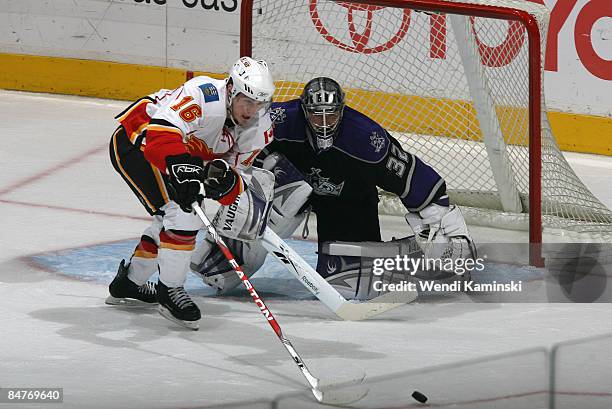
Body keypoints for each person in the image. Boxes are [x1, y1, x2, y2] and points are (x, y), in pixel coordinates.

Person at [191, 77, 474, 300]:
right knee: (218, 271)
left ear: (341, 111)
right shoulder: (280, 121)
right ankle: (233, 247)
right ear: (304, 112)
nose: (323, 123)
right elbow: (235, 143)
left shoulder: (364, 139)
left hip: (348, 199)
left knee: (345, 283)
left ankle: (411, 256)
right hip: (290, 188)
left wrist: (448, 229)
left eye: (330, 115)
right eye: (316, 116)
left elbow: (413, 177)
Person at [106, 57, 275, 329]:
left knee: (173, 217)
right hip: (137, 144)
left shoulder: (259, 126)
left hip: (182, 157)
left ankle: (130, 283)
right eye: (247, 101)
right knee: (183, 214)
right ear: (231, 89)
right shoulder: (203, 94)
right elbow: (161, 135)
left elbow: (237, 174)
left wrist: (225, 184)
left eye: (259, 103)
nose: (252, 110)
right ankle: (169, 291)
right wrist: (185, 172)